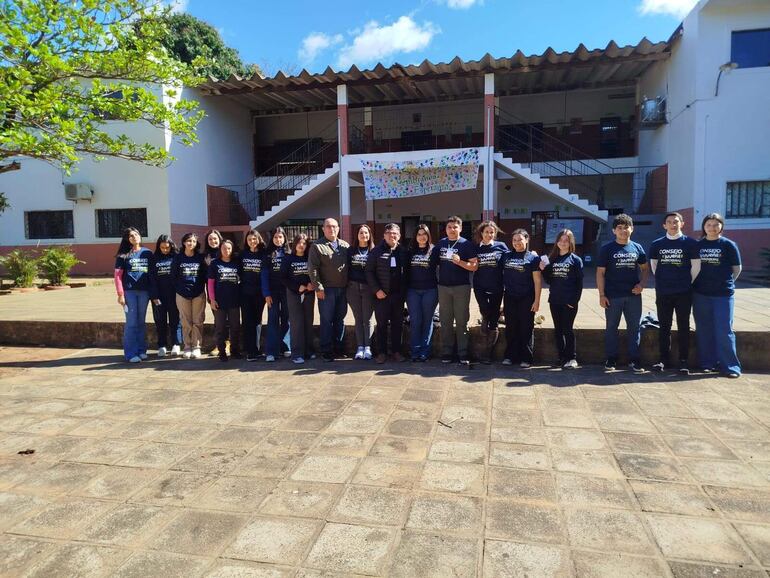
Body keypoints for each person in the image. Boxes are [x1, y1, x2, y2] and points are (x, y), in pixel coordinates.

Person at [649, 212, 701, 374]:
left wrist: (684, 283)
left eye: (676, 221)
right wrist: (666, 282)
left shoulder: (691, 244)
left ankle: (683, 361)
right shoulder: (657, 244)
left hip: (684, 292)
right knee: (664, 327)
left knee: (683, 326)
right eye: (669, 222)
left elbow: (696, 268)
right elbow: (654, 267)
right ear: (664, 225)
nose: (673, 224)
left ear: (682, 224)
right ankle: (663, 360)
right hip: (663, 292)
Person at [596, 213, 649, 373]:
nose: (623, 230)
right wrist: (601, 295)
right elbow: (600, 273)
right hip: (612, 296)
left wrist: (642, 284)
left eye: (626, 227)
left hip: (633, 295)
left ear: (631, 229)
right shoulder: (607, 249)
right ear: (614, 231)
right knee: (612, 327)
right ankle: (611, 359)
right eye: (619, 228)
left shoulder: (637, 248)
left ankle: (635, 360)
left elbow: (645, 269)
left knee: (634, 327)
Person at [692, 212, 742, 378]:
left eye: (715, 225)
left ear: (721, 226)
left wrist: (725, 282)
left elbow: (736, 269)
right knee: (704, 329)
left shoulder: (728, 245)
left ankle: (731, 367)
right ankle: (708, 363)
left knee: (724, 330)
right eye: (708, 225)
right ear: (704, 227)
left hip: (723, 295)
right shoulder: (698, 246)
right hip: (701, 294)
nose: (712, 228)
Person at [437, 216, 478, 365]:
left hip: (461, 287)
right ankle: (447, 352)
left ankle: (463, 353)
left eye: (455, 227)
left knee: (461, 321)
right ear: (446, 229)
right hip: (443, 287)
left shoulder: (466, 244)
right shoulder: (441, 243)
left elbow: (474, 266)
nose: (452, 230)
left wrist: (459, 261)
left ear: (460, 228)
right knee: (445, 321)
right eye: (449, 227)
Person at [308, 217, 350, 361]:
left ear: (338, 228)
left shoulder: (345, 245)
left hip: (343, 289)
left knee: (340, 320)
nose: (332, 229)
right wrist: (318, 288)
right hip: (326, 290)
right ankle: (326, 350)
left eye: (334, 226)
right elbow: (313, 268)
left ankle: (339, 348)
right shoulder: (317, 246)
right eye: (328, 226)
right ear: (323, 229)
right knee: (326, 321)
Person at [540, 229, 583, 369]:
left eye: (566, 240)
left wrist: (574, 301)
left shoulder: (575, 260)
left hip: (569, 301)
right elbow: (549, 280)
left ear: (571, 243)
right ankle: (562, 357)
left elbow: (579, 283)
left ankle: (572, 358)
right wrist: (544, 269)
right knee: (558, 330)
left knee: (567, 329)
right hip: (555, 300)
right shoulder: (553, 259)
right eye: (561, 240)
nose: (563, 243)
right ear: (557, 242)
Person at [366, 223, 406, 363]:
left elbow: (407, 273)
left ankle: (396, 352)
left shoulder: (403, 251)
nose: (392, 235)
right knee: (381, 325)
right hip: (382, 296)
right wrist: (377, 290)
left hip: (398, 296)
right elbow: (369, 272)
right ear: (384, 235)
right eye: (389, 233)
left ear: (399, 236)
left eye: (395, 233)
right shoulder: (376, 251)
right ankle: (381, 353)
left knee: (397, 325)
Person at [501, 229, 542, 367]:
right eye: (514, 240)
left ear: (527, 239)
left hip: (527, 297)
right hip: (510, 297)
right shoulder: (506, 256)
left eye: (520, 240)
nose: (517, 243)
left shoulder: (533, 258)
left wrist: (536, 301)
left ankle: (526, 358)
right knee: (511, 327)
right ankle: (510, 356)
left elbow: (537, 281)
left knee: (526, 327)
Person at [114, 227, 155, 363]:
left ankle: (141, 350)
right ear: (127, 239)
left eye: (136, 234)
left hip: (144, 292)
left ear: (140, 236)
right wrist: (120, 294)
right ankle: (131, 353)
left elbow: (152, 274)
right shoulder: (123, 255)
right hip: (129, 292)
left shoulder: (148, 253)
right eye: (131, 236)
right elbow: (118, 276)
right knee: (131, 322)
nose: (134, 237)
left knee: (141, 322)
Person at [473, 221, 507, 363]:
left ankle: (487, 353)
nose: (489, 234)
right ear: (481, 233)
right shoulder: (475, 248)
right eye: (486, 232)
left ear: (495, 233)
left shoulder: (501, 247)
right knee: (485, 310)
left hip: (497, 287)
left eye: (492, 232)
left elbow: (512, 259)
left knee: (493, 322)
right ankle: (486, 317)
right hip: (480, 286)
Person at [405, 224, 439, 362]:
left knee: (427, 320)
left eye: (424, 234)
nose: (421, 236)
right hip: (413, 291)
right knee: (415, 321)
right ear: (415, 236)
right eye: (419, 234)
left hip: (430, 290)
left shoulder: (434, 250)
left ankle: (425, 351)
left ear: (428, 235)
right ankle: (415, 350)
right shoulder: (409, 251)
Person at [172, 232, 207, 359]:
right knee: (185, 321)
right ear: (183, 242)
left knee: (198, 320)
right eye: (188, 241)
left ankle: (197, 346)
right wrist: (179, 289)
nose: (190, 243)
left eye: (193, 241)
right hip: (182, 294)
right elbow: (173, 276)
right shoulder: (178, 258)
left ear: (196, 243)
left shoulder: (200, 257)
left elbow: (205, 275)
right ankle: (187, 346)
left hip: (198, 293)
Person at [282, 233, 316, 364]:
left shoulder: (310, 258)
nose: (301, 245)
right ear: (294, 244)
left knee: (308, 322)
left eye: (304, 243)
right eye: (299, 242)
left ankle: (309, 351)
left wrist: (311, 284)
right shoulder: (288, 259)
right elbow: (283, 278)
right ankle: (296, 353)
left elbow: (315, 273)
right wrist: (297, 287)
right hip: (294, 294)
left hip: (309, 294)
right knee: (296, 324)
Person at [208, 239, 241, 362]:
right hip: (219, 301)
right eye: (223, 248)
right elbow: (210, 283)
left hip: (234, 300)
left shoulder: (236, 263)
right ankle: (222, 351)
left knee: (235, 326)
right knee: (220, 327)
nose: (226, 251)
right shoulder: (214, 264)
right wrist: (212, 299)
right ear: (220, 249)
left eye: (228, 248)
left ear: (232, 250)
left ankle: (235, 350)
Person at [150, 234, 182, 357]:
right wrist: (154, 295)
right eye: (162, 247)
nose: (165, 250)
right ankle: (162, 345)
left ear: (171, 246)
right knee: (160, 321)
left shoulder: (176, 257)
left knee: (175, 320)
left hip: (174, 295)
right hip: (158, 296)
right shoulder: (154, 258)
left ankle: (176, 344)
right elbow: (151, 278)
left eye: (167, 247)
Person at [262, 227, 290, 362]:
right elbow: (264, 275)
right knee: (273, 320)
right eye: (275, 237)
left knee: (287, 319)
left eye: (280, 237)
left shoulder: (289, 253)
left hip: (287, 292)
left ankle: (285, 347)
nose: (278, 239)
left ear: (284, 238)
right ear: (272, 239)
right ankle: (271, 351)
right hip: (272, 293)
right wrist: (266, 293)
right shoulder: (267, 255)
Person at [347, 225, 375, 360]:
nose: (363, 235)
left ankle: (368, 347)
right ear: (357, 235)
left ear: (369, 235)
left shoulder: (374, 251)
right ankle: (360, 347)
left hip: (368, 289)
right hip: (353, 288)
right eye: (361, 233)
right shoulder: (351, 251)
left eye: (366, 233)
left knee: (368, 319)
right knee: (358, 319)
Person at [240, 229, 266, 362]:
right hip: (245, 293)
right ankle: (250, 351)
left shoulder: (263, 254)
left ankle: (256, 349)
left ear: (258, 239)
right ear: (246, 241)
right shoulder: (242, 254)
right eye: (249, 239)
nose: (252, 241)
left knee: (257, 321)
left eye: (254, 239)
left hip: (259, 294)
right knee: (248, 321)